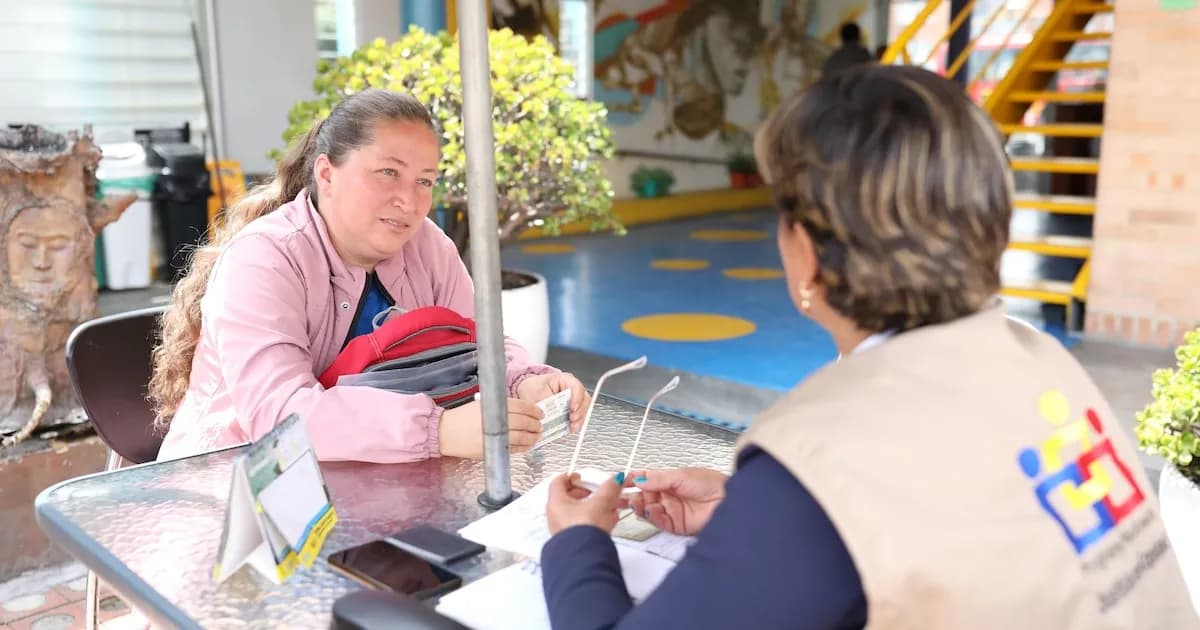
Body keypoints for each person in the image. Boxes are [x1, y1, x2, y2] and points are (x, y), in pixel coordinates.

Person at [540, 66, 1199, 629]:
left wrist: (577, 544)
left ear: (808, 253)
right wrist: (750, 512)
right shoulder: (1043, 363)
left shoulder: (823, 460)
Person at [149, 89, 590, 463]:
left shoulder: (427, 246)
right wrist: (436, 431)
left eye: (424, 181)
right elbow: (281, 418)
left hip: (366, 482)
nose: (409, 200)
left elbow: (477, 345)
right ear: (327, 173)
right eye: (388, 173)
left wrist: (525, 380)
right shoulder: (264, 261)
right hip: (233, 485)